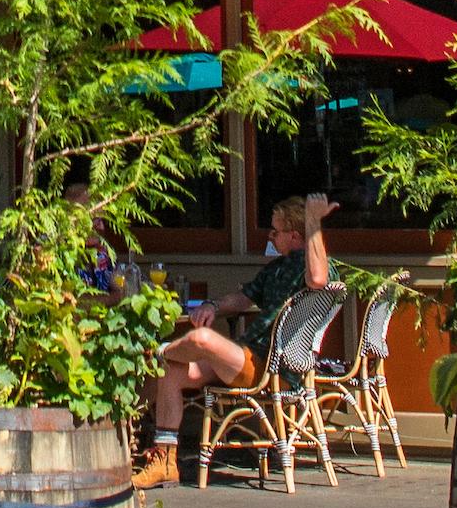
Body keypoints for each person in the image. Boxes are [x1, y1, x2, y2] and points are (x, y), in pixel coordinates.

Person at [137, 192, 332, 489]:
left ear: (294, 236)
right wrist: (213, 305)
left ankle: (160, 351)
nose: (270, 236)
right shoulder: (277, 268)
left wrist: (314, 224)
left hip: (271, 365)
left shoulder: (317, 267)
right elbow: (242, 298)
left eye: (275, 231)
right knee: (172, 372)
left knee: (202, 339)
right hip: (246, 355)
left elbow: (318, 279)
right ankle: (165, 461)